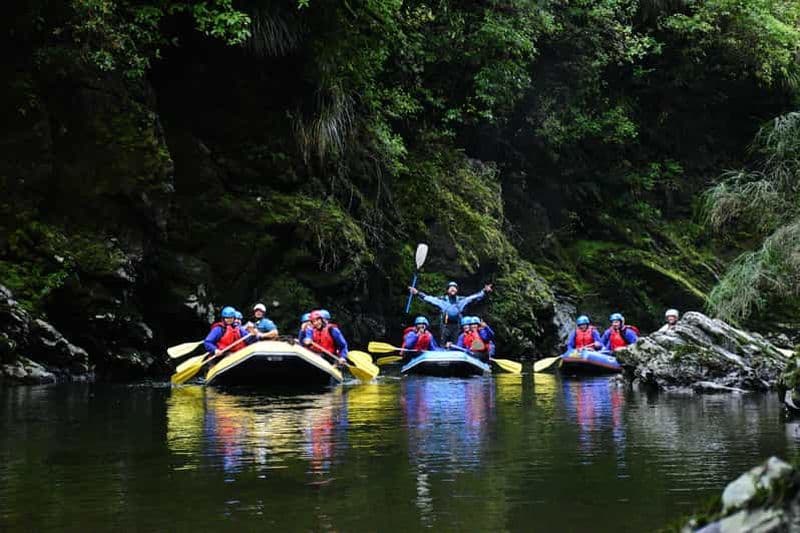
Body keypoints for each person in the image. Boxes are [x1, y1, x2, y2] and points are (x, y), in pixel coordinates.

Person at [409, 281, 493, 345]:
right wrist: (417, 293)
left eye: (454, 288)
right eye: (450, 288)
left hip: (457, 326)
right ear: (447, 290)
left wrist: (484, 291)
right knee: (443, 343)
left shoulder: (461, 300)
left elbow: (474, 297)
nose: (453, 289)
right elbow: (428, 298)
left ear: (457, 290)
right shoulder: (442, 300)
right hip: (445, 326)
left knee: (456, 342)